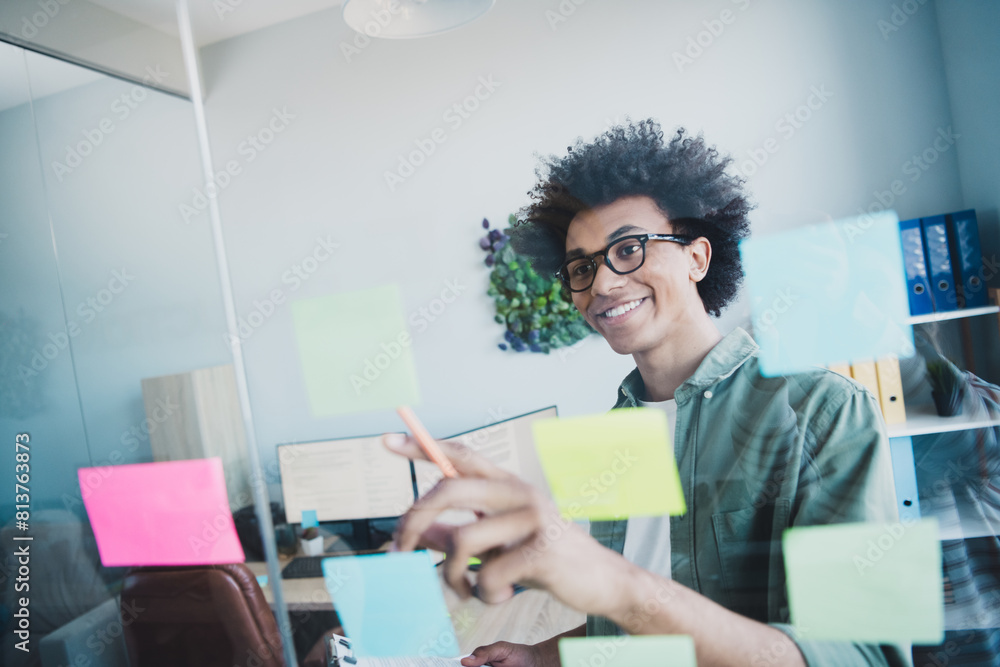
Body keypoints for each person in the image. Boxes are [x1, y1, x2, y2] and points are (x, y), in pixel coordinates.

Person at [384, 120, 910, 666]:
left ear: (697, 259)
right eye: (581, 268)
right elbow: (633, 620)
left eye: (630, 248)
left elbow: (861, 656)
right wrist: (544, 658)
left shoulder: (824, 411)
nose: (603, 284)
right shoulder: (616, 431)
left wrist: (609, 580)